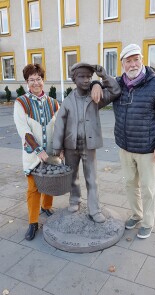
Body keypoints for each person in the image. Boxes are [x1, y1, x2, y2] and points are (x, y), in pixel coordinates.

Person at [91, 44, 155, 238]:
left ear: (142, 60)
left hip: (148, 149)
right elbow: (104, 86)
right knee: (129, 184)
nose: (133, 64)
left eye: (136, 59)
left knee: (147, 188)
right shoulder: (119, 84)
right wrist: (96, 83)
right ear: (122, 64)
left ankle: (148, 222)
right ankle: (137, 214)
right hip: (125, 147)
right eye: (128, 61)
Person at [53, 62, 121, 223]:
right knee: (72, 176)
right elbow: (59, 123)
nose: (86, 80)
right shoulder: (68, 101)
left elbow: (116, 91)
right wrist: (57, 145)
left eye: (89, 77)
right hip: (71, 145)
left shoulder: (95, 96)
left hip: (89, 145)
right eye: (81, 76)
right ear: (74, 79)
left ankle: (94, 209)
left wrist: (102, 77)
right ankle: (74, 200)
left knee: (92, 178)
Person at [14, 64, 59, 240]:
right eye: (31, 80)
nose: (36, 83)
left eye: (38, 79)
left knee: (50, 182)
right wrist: (38, 150)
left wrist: (60, 148)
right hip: (33, 154)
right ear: (27, 82)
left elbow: (60, 128)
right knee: (34, 188)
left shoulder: (54, 103)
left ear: (43, 80)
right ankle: (33, 222)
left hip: (51, 153)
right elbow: (23, 129)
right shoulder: (21, 103)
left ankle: (46, 207)